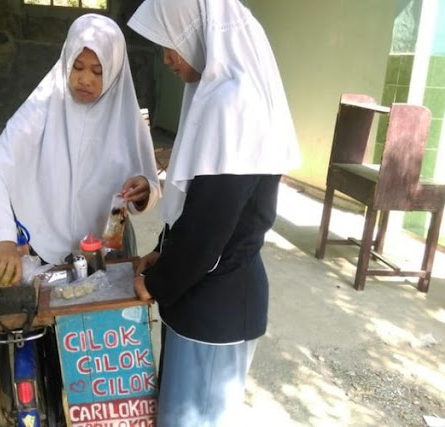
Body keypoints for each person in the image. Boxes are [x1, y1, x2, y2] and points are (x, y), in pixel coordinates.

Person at [127, 0, 300, 425]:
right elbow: (204, 204)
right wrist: (162, 252)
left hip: (215, 306)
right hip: (209, 297)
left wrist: (157, 281)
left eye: (173, 42)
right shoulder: (221, 94)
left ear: (201, 33)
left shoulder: (232, 104)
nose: (166, 56)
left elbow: (209, 232)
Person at [0, 14, 160, 285]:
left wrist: (144, 191)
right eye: (78, 67)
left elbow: (147, 188)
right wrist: (3, 240)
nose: (85, 79)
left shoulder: (127, 121)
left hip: (107, 250)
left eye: (98, 71)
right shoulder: (41, 107)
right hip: (40, 247)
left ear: (114, 71)